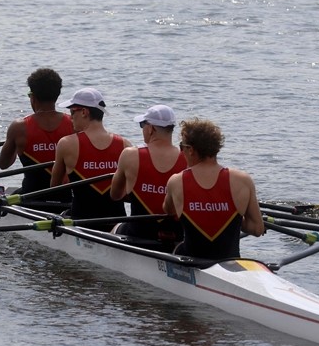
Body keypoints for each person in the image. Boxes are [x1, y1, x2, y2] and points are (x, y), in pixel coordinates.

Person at [163, 118, 264, 259]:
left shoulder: (176, 181)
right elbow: (257, 229)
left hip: (192, 261)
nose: (181, 152)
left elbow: (169, 211)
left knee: (178, 247)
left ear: (191, 150)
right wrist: (231, 217)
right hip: (229, 261)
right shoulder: (243, 180)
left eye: (182, 146)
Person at [109, 104, 187, 249]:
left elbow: (115, 195)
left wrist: (136, 189)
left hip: (138, 234)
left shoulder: (129, 155)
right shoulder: (188, 159)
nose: (142, 129)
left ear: (150, 129)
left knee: (117, 227)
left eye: (142, 125)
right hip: (176, 236)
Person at [49, 87, 132, 219]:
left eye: (72, 112)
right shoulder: (125, 145)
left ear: (84, 112)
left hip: (81, 222)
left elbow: (54, 188)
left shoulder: (66, 144)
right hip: (116, 221)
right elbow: (130, 193)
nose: (70, 118)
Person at [0, 67, 75, 196]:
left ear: (33, 97)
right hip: (67, 199)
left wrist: (16, 144)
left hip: (31, 199)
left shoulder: (19, 127)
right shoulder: (73, 124)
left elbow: (3, 164)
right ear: (57, 95)